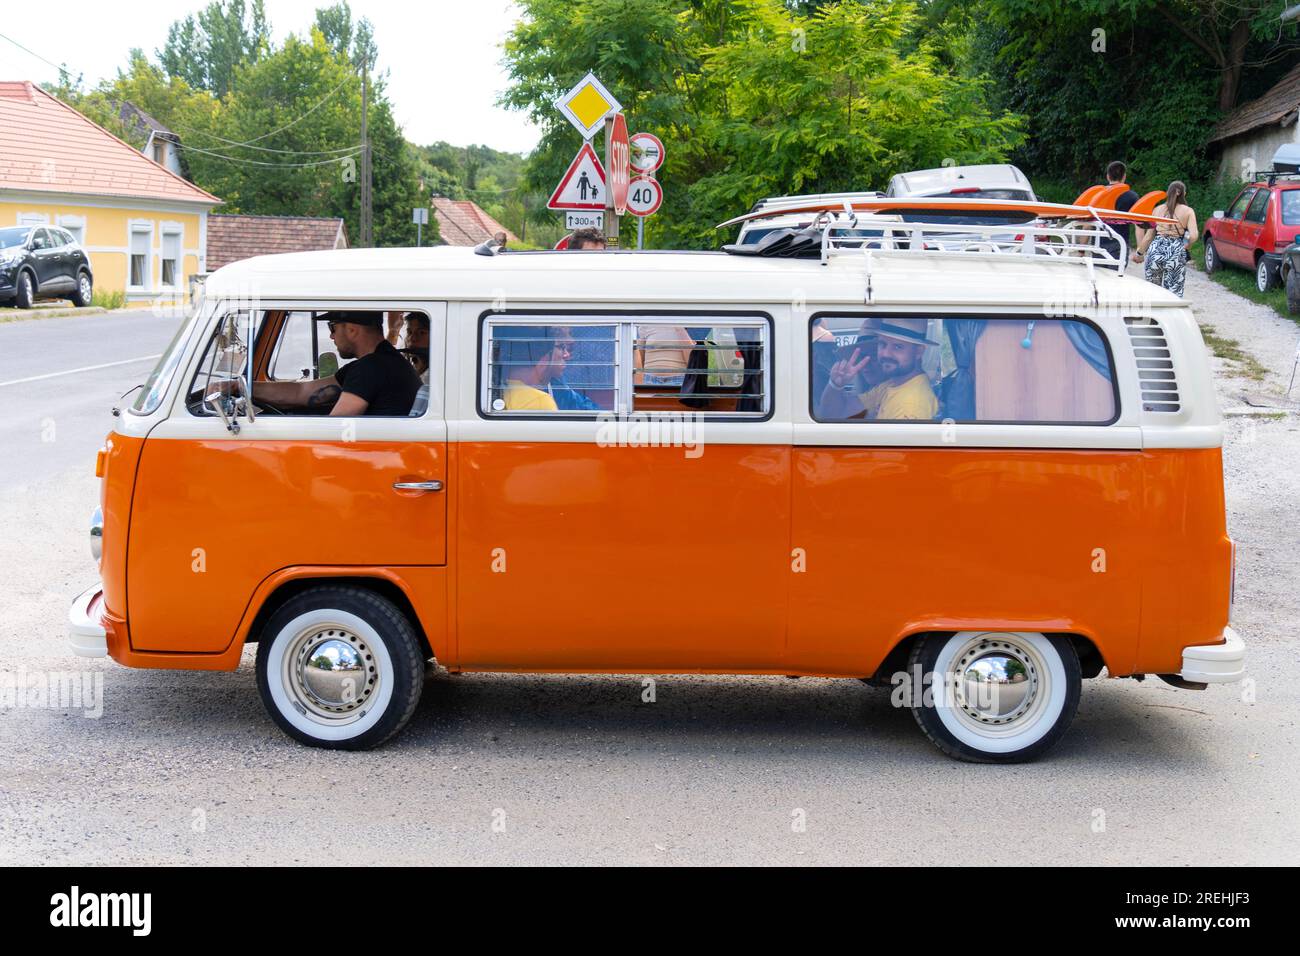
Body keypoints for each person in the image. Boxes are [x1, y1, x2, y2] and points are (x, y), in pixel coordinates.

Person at [240, 310, 422, 416]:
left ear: (352, 329)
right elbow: (302, 392)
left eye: (332, 327)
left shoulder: (371, 368)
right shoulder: (380, 361)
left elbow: (336, 426)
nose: (331, 336)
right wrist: (241, 387)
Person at [817, 318, 938, 421]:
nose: (886, 354)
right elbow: (836, 414)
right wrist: (836, 385)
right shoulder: (893, 385)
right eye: (882, 344)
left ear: (919, 352)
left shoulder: (909, 406)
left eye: (898, 347)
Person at [1132, 180, 1197, 297]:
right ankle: (1170, 315)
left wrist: (1139, 253)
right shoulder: (1188, 211)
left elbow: (1149, 236)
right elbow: (1193, 236)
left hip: (1155, 249)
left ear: (1168, 193)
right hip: (1175, 251)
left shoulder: (1157, 209)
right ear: (1184, 194)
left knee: (1152, 291)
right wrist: (1186, 246)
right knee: (1173, 293)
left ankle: (1152, 315)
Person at [498, 325, 575, 411]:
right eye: (561, 347)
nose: (566, 354)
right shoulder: (540, 401)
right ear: (545, 358)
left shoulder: (498, 390)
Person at [1099, 161, 1140, 264]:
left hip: (1099, 243)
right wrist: (1140, 252)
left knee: (1099, 276)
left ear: (1108, 176)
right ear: (1124, 177)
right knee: (1116, 278)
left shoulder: (1098, 194)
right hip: (1120, 243)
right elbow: (1138, 224)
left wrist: (1082, 249)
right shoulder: (1132, 196)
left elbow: (1088, 223)